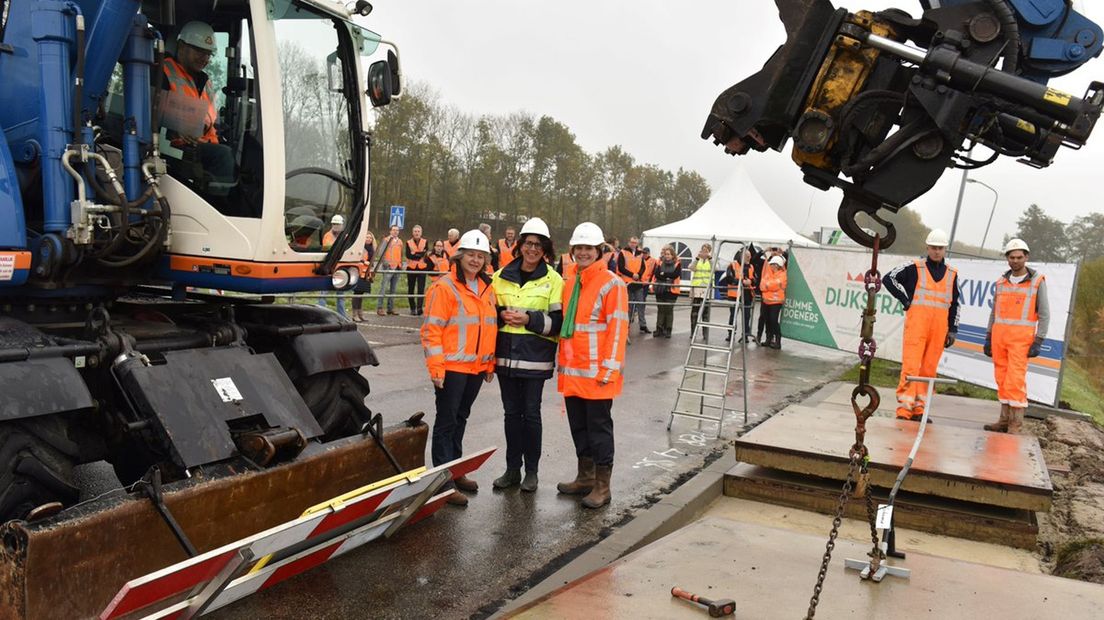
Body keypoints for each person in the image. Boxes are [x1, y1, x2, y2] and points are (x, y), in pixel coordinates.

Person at [421, 230, 498, 507]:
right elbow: (431, 331)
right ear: (459, 256)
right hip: (451, 369)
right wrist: (437, 368)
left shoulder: (488, 288)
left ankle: (456, 470)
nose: (475, 260)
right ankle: (443, 482)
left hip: (476, 369)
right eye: (471, 255)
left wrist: (489, 363)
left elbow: (489, 329)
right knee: (446, 421)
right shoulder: (445, 287)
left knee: (461, 418)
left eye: (481, 256)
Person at [556, 222, 629, 509]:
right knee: (579, 428)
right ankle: (585, 477)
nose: (583, 253)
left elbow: (618, 329)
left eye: (589, 248)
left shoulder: (612, 283)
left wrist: (609, 369)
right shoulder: (571, 282)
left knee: (599, 430)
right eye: (579, 248)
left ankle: (602, 486)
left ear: (599, 251)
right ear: (572, 251)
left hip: (598, 375)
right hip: (574, 374)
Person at [490, 218, 564, 492]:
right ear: (520, 246)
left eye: (538, 244)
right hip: (506, 358)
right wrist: (500, 315)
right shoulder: (499, 277)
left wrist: (529, 319)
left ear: (545, 249)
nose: (532, 249)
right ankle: (512, 470)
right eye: (528, 243)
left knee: (531, 414)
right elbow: (488, 316)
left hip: (535, 359)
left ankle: (531, 472)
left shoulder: (554, 280)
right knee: (511, 414)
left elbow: (557, 323)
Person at [883, 229, 961, 422]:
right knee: (911, 368)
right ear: (927, 247)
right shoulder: (914, 267)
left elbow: (955, 304)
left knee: (928, 370)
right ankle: (904, 409)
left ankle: (920, 410)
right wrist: (905, 299)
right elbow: (888, 278)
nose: (936, 251)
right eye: (933, 248)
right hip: (917, 327)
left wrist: (952, 329)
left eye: (940, 248)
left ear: (945, 250)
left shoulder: (952, 273)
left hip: (939, 329)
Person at [983, 239, 1049, 434]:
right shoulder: (1001, 282)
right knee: (1001, 379)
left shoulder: (1037, 282)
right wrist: (988, 336)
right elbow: (994, 312)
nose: (1016, 261)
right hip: (999, 339)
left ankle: (1015, 424)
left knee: (1015, 381)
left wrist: (1039, 340)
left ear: (1026, 257)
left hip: (1021, 341)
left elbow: (1044, 314)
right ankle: (1003, 420)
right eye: (1012, 257)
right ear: (1007, 259)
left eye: (1019, 257)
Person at [162, 22, 234, 181]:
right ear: (181, 46)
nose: (205, 58)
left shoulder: (205, 82)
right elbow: (154, 112)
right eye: (200, 51)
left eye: (209, 54)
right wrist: (174, 127)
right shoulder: (163, 71)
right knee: (224, 156)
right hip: (178, 149)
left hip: (205, 147)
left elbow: (210, 120)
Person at [720, 250, 757, 344]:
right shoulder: (732, 265)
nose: (749, 258)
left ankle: (745, 336)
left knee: (746, 316)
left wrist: (751, 282)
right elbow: (728, 278)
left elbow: (755, 279)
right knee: (733, 316)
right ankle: (731, 334)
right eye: (747, 256)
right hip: (734, 295)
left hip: (747, 294)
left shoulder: (751, 267)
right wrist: (741, 281)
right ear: (741, 256)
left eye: (749, 256)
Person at [617, 237, 650, 335]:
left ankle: (643, 325)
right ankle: (626, 325)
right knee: (628, 306)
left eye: (635, 243)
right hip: (627, 282)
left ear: (637, 243)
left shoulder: (640, 253)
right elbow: (621, 267)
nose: (633, 244)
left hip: (637, 282)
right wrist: (632, 275)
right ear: (628, 242)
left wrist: (638, 275)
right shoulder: (623, 252)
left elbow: (643, 266)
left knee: (641, 304)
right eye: (631, 242)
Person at [651, 245, 681, 339]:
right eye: (665, 254)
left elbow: (675, 275)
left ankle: (668, 329)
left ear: (673, 255)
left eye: (669, 254)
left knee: (668, 310)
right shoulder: (660, 263)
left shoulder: (677, 264)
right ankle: (659, 328)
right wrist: (666, 276)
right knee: (660, 309)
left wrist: (664, 275)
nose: (667, 256)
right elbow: (657, 274)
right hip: (660, 289)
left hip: (671, 290)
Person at [759, 256, 788, 349]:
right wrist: (769, 286)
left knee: (773, 321)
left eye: (772, 264)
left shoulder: (783, 275)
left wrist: (768, 286)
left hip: (776, 302)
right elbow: (762, 285)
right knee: (767, 320)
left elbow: (774, 285)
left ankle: (778, 341)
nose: (770, 266)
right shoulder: (768, 274)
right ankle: (768, 339)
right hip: (766, 301)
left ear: (777, 265)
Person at [376, 225, 403, 316]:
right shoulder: (386, 240)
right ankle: (379, 307)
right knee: (383, 288)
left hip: (397, 267)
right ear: (390, 231)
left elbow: (400, 253)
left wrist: (401, 264)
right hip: (388, 267)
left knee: (393, 289)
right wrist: (386, 263)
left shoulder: (400, 241)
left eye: (397, 230)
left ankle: (390, 308)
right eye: (394, 230)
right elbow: (381, 253)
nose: (395, 232)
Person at [405, 225, 431, 316]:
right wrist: (419, 254)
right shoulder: (408, 242)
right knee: (411, 289)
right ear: (413, 232)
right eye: (415, 231)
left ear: (421, 233)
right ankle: (412, 308)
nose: (417, 233)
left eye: (418, 231)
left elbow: (425, 253)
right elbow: (408, 255)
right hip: (411, 268)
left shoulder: (425, 241)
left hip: (422, 267)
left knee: (421, 289)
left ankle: (419, 308)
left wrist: (415, 254)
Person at [689, 243, 713, 340]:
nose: (704, 253)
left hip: (706, 289)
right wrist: (697, 258)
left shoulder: (711, 261)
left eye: (706, 251)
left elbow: (716, 268)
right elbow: (691, 267)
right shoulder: (697, 260)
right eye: (703, 250)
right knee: (694, 312)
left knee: (705, 313)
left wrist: (710, 259)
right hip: (697, 287)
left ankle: (705, 334)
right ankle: (693, 332)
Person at [351, 231, 376, 321]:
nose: (369, 239)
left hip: (366, 274)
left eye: (370, 238)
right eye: (367, 237)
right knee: (357, 293)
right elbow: (355, 257)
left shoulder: (372, 249)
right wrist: (363, 261)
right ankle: (354, 314)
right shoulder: (360, 247)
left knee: (361, 294)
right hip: (359, 272)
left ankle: (360, 313)